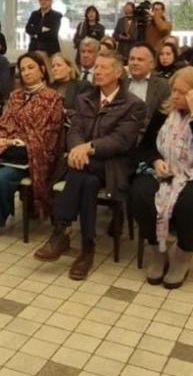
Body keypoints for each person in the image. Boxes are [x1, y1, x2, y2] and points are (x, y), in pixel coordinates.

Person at [33, 52, 146, 280]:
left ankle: (61, 231)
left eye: (104, 68)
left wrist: (88, 148)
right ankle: (86, 249)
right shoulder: (85, 98)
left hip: (114, 165)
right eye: (96, 67)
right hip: (84, 163)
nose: (98, 71)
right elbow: (74, 130)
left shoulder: (134, 105)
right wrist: (77, 148)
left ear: (118, 73)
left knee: (80, 173)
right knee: (87, 180)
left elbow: (121, 141)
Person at [131, 67, 193, 289]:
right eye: (173, 90)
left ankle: (183, 256)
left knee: (192, 201)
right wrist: (156, 161)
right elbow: (145, 147)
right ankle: (157, 250)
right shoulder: (165, 112)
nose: (174, 96)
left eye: (181, 92)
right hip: (164, 173)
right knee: (141, 192)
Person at [0, 53, 65, 232]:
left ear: (42, 70)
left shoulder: (53, 98)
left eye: (31, 68)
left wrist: (15, 142)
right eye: (22, 69)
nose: (26, 73)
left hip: (34, 154)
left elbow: (47, 134)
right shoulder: (15, 96)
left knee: (2, 178)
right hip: (8, 151)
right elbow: (4, 123)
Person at [122, 43, 171, 122]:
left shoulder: (163, 85)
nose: (135, 63)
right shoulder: (119, 82)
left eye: (140, 59)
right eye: (132, 59)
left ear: (151, 64)